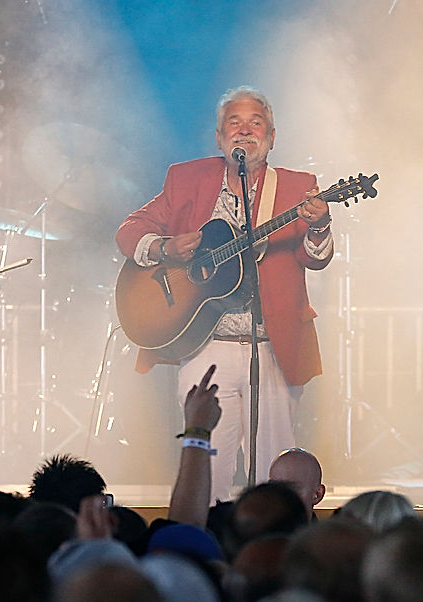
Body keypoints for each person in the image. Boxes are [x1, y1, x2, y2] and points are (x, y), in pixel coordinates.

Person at [116, 86, 334, 502]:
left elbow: (315, 258)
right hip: (206, 346)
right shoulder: (187, 179)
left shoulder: (298, 186)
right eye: (234, 123)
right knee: (205, 468)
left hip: (273, 345)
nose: (245, 131)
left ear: (271, 137)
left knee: (275, 473)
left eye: (256, 124)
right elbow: (129, 230)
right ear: (219, 137)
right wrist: (165, 247)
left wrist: (320, 225)